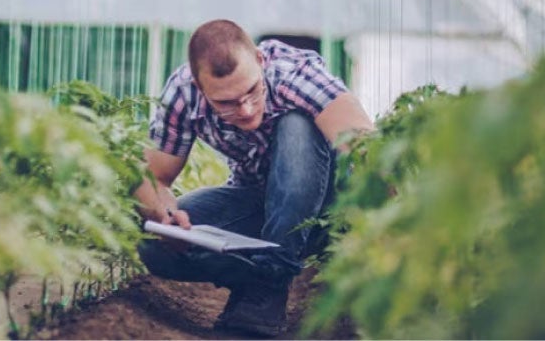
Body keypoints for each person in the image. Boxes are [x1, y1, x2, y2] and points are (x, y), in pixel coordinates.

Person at [134, 19, 374, 337]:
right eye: (226, 103)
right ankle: (264, 275)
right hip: (256, 200)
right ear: (198, 83)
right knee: (153, 245)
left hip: (323, 210)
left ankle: (267, 289)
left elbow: (366, 150)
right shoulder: (182, 93)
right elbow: (155, 177)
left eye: (251, 91)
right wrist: (164, 214)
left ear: (260, 61)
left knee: (297, 125)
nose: (246, 110)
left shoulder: (296, 76)